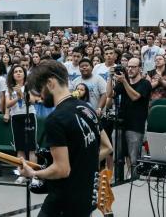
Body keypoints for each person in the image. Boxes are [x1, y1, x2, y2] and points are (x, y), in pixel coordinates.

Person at [19, 60, 101, 217]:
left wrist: (34, 173)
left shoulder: (56, 119)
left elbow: (62, 169)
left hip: (63, 202)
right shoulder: (86, 109)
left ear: (50, 83)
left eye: (40, 90)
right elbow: (104, 147)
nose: (41, 97)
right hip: (85, 198)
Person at [106, 57, 152, 172]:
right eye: (129, 67)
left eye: (133, 67)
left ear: (140, 69)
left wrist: (124, 81)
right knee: (118, 157)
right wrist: (110, 77)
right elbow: (110, 94)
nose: (130, 69)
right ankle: (118, 182)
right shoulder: (123, 82)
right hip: (121, 123)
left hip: (135, 125)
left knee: (134, 159)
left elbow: (135, 97)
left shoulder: (145, 84)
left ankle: (133, 182)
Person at [6, 64, 38, 184]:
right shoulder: (10, 88)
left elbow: (33, 101)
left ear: (24, 74)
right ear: (13, 75)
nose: (18, 73)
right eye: (16, 72)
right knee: (19, 147)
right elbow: (8, 104)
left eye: (20, 71)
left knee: (31, 147)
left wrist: (23, 95)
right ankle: (22, 173)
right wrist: (17, 97)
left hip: (29, 116)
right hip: (16, 117)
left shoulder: (29, 86)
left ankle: (34, 175)